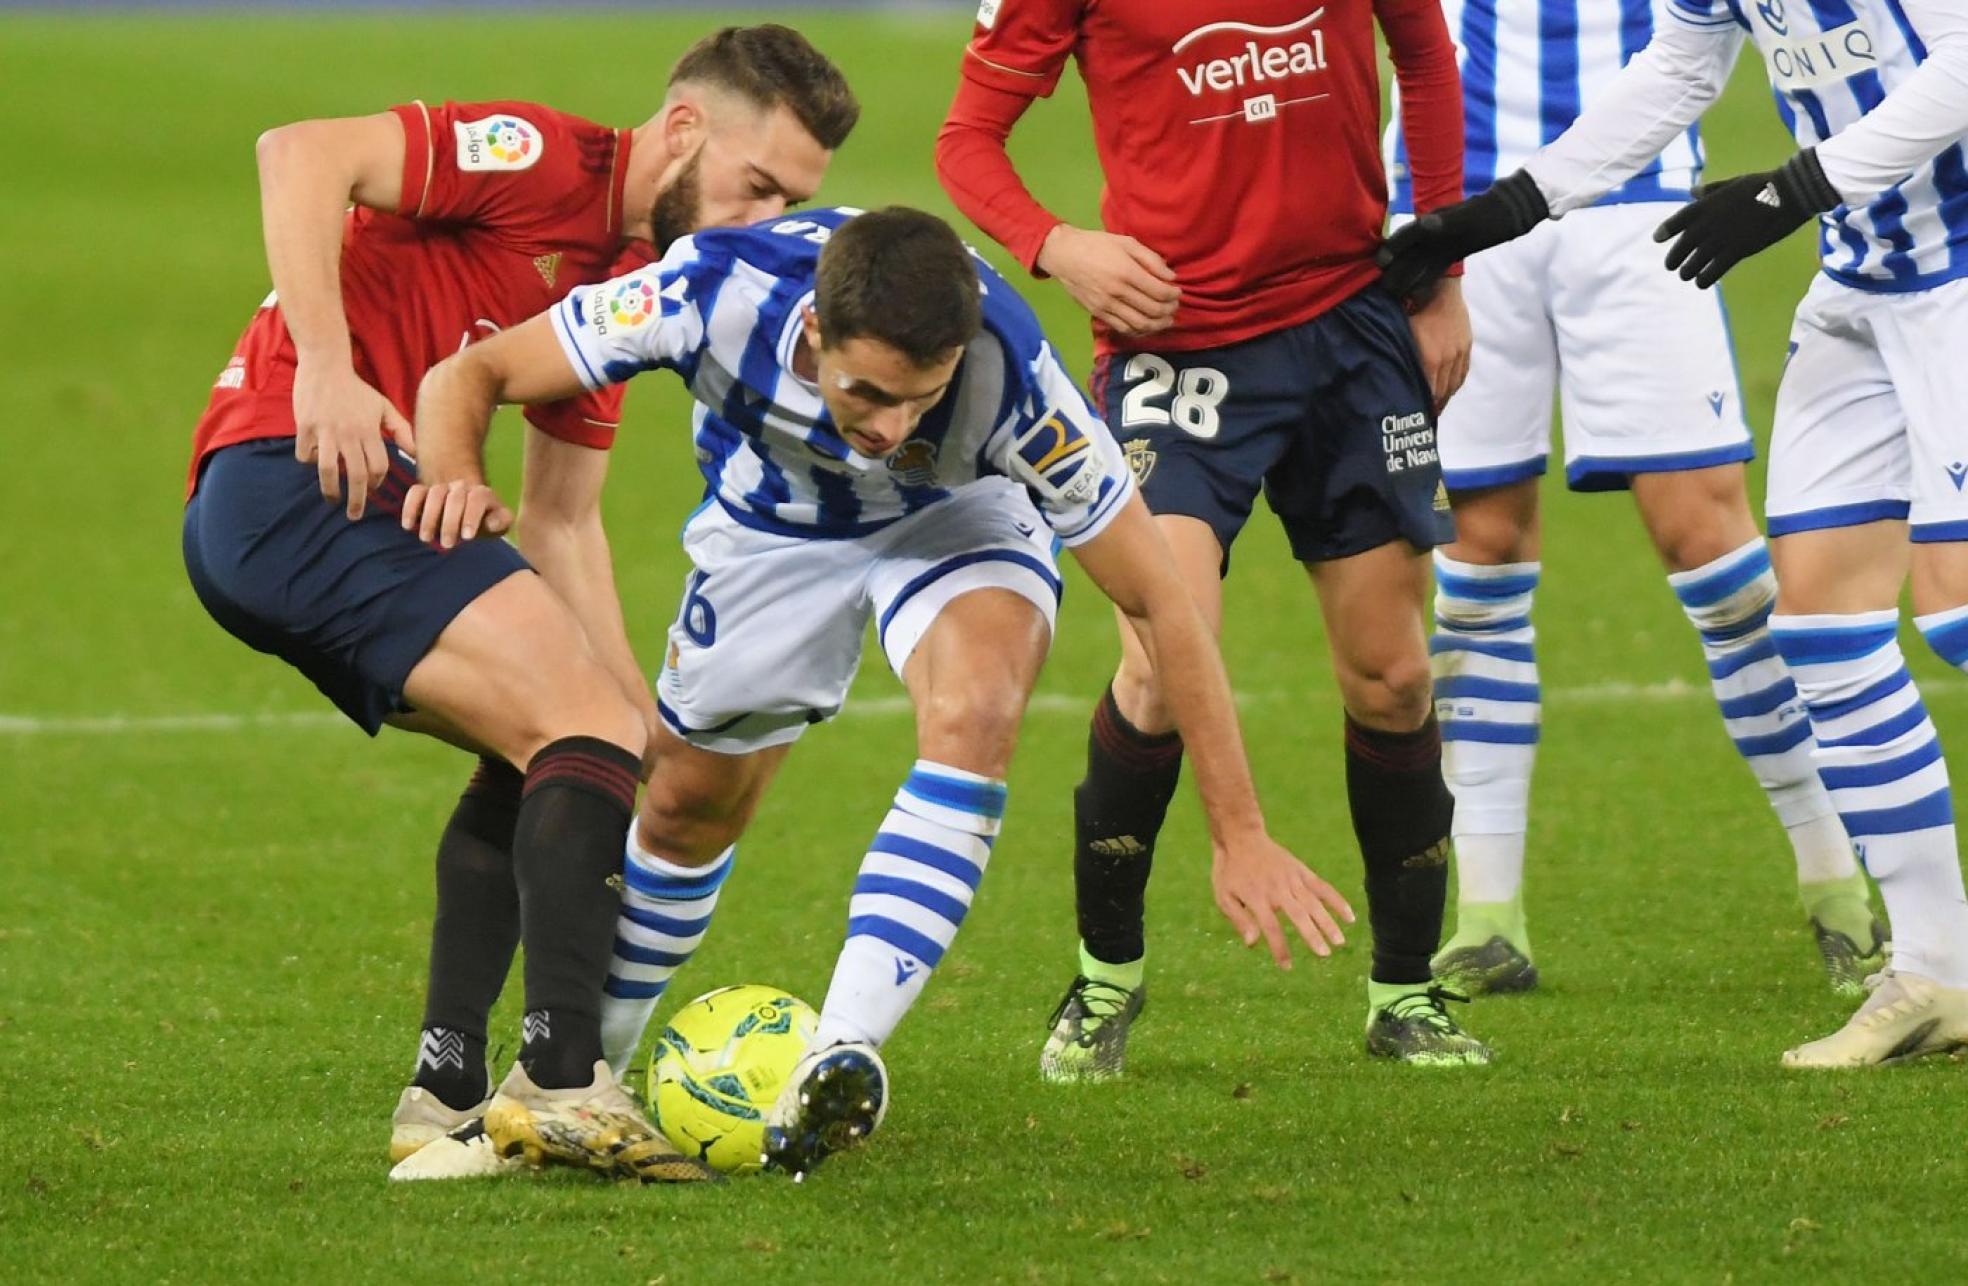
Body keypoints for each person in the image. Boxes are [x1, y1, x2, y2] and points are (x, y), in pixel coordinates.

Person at [407, 205, 1356, 1180]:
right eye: (865, 390)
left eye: (920, 395)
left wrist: (1241, 830)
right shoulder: (710, 289)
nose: (890, 425)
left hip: (958, 519)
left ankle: (843, 1048)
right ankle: (562, 1092)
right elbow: (470, 374)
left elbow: (1163, 600)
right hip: (774, 526)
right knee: (688, 807)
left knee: (976, 711)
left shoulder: (1016, 387)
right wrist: (449, 478)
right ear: (814, 333)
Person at [179, 25, 856, 1180]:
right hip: (297, 473)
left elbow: (563, 523)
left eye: (793, 201)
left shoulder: (632, 296)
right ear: (685, 129)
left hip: (313, 509)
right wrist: (330, 369)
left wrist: (647, 719)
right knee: (577, 726)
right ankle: (561, 1078)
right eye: (760, 185)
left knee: (564, 747)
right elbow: (297, 151)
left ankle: (442, 1094)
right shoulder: (544, 162)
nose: (767, 223)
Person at [1378, 0, 1968, 1066]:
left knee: (1956, 615)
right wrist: (1504, 210)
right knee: (1826, 635)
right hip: (1860, 285)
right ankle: (1937, 973)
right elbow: (1681, 68)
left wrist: (1794, 189)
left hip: (1958, 279)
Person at [934, 0, 1489, 1079]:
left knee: (1394, 674)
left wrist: (1442, 270)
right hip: (1176, 345)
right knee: (1157, 663)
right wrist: (1058, 246)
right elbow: (966, 140)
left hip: (1351, 326)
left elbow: (1423, 51)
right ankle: (1106, 978)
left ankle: (1406, 990)